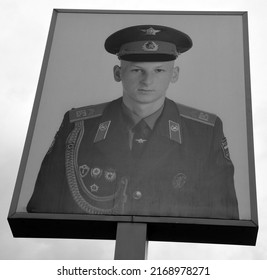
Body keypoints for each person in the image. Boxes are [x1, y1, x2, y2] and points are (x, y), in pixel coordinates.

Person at [27, 25, 239, 219]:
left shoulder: (204, 132)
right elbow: (42, 207)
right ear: (118, 73)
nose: (147, 81)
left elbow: (224, 216)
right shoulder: (78, 127)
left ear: (174, 74)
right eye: (137, 70)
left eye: (159, 70)